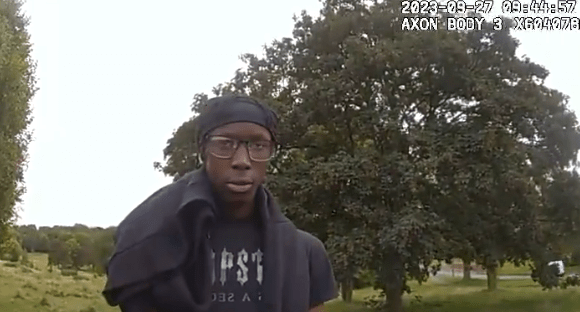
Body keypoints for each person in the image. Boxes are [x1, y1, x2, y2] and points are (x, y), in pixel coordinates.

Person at [102, 95, 338, 311]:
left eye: (258, 146)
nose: (242, 161)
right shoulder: (153, 248)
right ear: (203, 150)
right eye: (225, 144)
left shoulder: (307, 253)